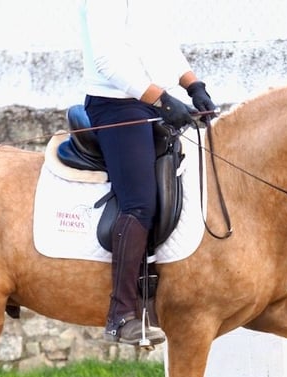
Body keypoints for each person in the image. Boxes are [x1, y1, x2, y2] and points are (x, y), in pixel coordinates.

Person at [79, 0, 217, 346]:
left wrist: (192, 84)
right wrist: (162, 100)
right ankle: (122, 314)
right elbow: (108, 61)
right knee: (140, 202)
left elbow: (159, 43)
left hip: (150, 100)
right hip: (116, 104)